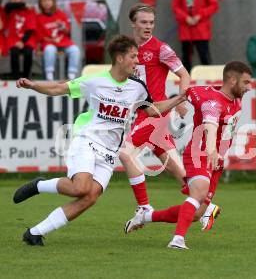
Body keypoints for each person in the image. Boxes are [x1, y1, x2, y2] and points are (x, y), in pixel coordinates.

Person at [12, 35, 186, 246]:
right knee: (80, 188)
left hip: (109, 152)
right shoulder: (95, 81)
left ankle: (35, 233)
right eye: (133, 56)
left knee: (90, 197)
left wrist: (180, 98)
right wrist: (33, 85)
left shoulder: (138, 87)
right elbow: (59, 88)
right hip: (87, 139)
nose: (137, 61)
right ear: (120, 58)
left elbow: (151, 110)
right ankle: (40, 185)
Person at [129, 61, 252, 249]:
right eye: (245, 83)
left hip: (216, 160)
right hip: (200, 154)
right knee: (199, 192)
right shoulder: (213, 103)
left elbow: (191, 92)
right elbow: (210, 126)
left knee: (196, 213)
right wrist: (211, 150)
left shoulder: (223, 95)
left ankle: (147, 216)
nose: (248, 88)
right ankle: (177, 240)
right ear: (232, 80)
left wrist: (182, 99)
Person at [122, 4, 221, 233]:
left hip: (154, 113)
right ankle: (207, 206)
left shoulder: (161, 49)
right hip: (141, 113)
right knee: (179, 171)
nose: (148, 26)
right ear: (133, 23)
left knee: (126, 153)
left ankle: (144, 208)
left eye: (151, 22)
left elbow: (184, 74)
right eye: (143, 22)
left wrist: (183, 100)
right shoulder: (128, 49)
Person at [36, 0, 80, 80]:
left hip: (63, 42)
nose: (46, 3)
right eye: (44, 1)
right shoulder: (38, 17)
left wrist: (62, 27)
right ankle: (49, 75)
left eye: (49, 0)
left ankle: (72, 75)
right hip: (49, 43)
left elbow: (67, 31)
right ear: (40, 3)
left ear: (53, 1)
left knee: (75, 49)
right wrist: (51, 40)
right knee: (50, 49)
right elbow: (39, 36)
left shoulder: (60, 14)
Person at [171, 0, 219, 71]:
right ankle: (186, 80)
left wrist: (200, 15)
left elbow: (214, 5)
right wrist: (185, 17)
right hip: (186, 29)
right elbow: (175, 7)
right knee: (186, 58)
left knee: (204, 57)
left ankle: (208, 78)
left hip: (201, 29)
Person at [4, 0, 37, 79]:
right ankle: (15, 77)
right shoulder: (10, 9)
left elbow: (30, 28)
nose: (13, 1)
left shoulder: (30, 10)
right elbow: (8, 5)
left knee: (28, 53)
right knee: (14, 53)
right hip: (13, 39)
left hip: (27, 39)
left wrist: (22, 41)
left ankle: (26, 77)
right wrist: (24, 4)